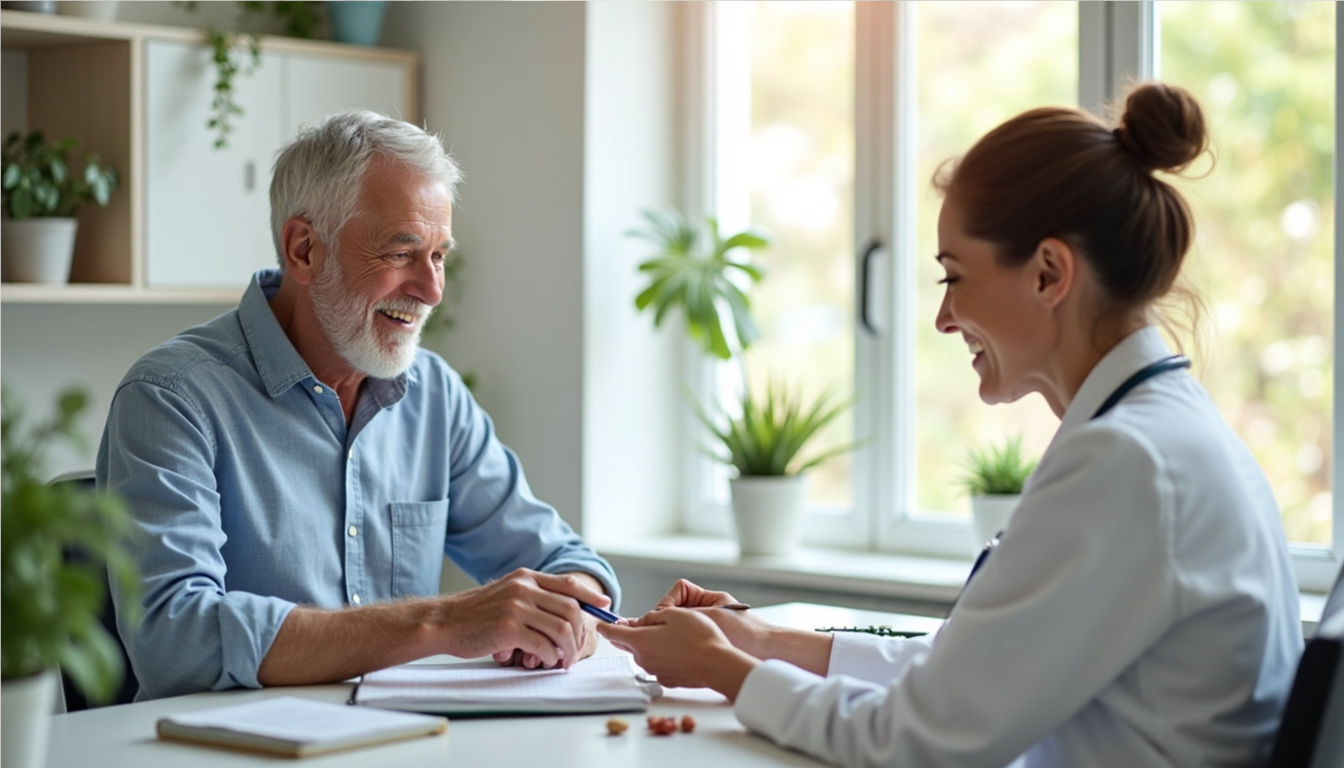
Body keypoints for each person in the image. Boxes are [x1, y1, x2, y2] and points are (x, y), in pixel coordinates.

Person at [599, 83, 1304, 767]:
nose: (942, 319)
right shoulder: (1158, 434)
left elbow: (918, 743)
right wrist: (763, 642)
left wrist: (724, 669)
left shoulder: (1130, 463)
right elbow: (975, 674)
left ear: (1048, 274)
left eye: (953, 277)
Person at [98, 110, 619, 700]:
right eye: (401, 254)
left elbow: (561, 558)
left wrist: (566, 611)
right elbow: (177, 639)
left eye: (439, 255)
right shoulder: (172, 398)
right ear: (304, 250)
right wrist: (445, 622)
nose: (431, 290)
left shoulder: (435, 395)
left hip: (398, 741)